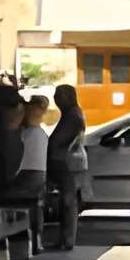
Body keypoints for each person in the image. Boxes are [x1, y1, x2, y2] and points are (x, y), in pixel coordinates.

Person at [48, 83, 87, 247]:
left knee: (68, 202)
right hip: (68, 162)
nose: (56, 99)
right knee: (67, 201)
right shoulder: (71, 114)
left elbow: (58, 141)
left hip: (67, 163)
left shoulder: (72, 116)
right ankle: (65, 239)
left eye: (60, 95)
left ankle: (68, 239)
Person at [14, 98, 52, 252]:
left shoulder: (22, 134)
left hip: (23, 172)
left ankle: (26, 242)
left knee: (22, 208)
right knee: (36, 207)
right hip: (40, 172)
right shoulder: (42, 134)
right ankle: (38, 241)